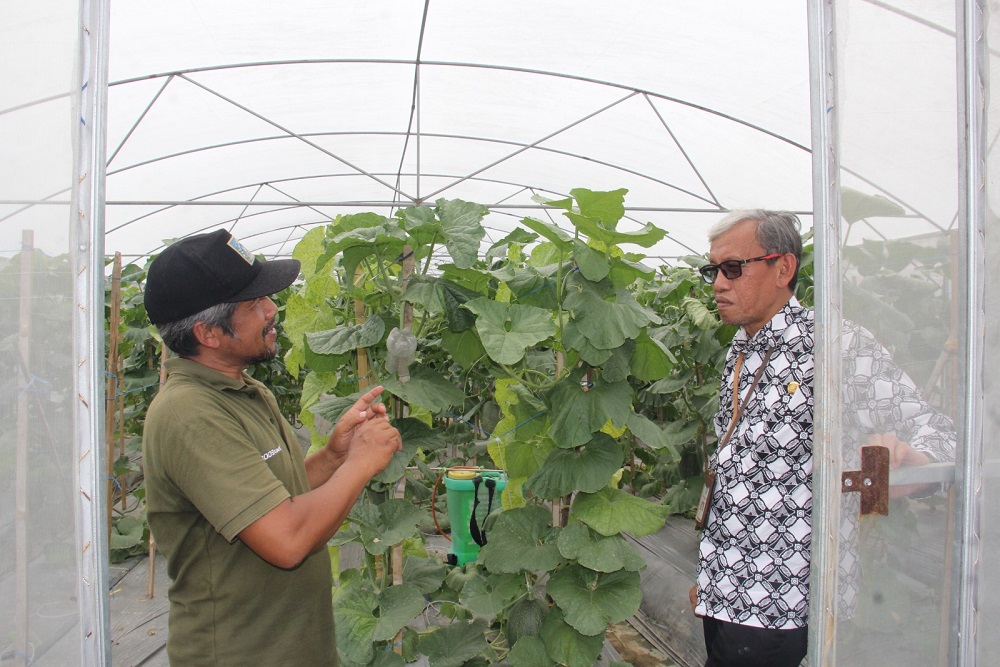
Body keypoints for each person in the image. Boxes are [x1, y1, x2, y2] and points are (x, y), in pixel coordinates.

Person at [687, 210, 954, 667]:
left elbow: (937, 429)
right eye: (713, 270)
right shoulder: (743, 348)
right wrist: (712, 576)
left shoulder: (835, 348)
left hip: (784, 601)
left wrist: (914, 461)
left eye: (733, 269)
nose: (718, 284)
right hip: (727, 589)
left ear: (783, 268)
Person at [141, 229, 402, 666]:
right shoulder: (189, 414)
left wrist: (335, 457)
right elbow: (286, 539)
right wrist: (360, 465)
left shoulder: (242, 389)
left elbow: (274, 496)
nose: (271, 309)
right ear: (208, 333)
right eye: (254, 304)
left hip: (293, 647)